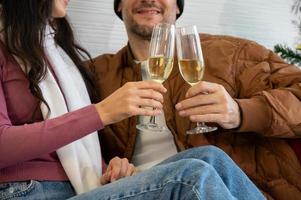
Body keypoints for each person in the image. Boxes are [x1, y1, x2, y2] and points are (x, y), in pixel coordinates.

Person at [0, 0, 265, 199]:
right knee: (193, 176)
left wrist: (109, 168)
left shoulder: (56, 52)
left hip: (80, 187)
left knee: (210, 157)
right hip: (28, 191)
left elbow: (75, 147)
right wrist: (102, 112)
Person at [92, 0, 301, 199]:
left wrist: (240, 112)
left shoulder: (230, 54)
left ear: (178, 6)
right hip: (149, 190)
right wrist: (113, 169)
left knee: (201, 166)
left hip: (228, 192)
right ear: (119, 4)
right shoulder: (97, 74)